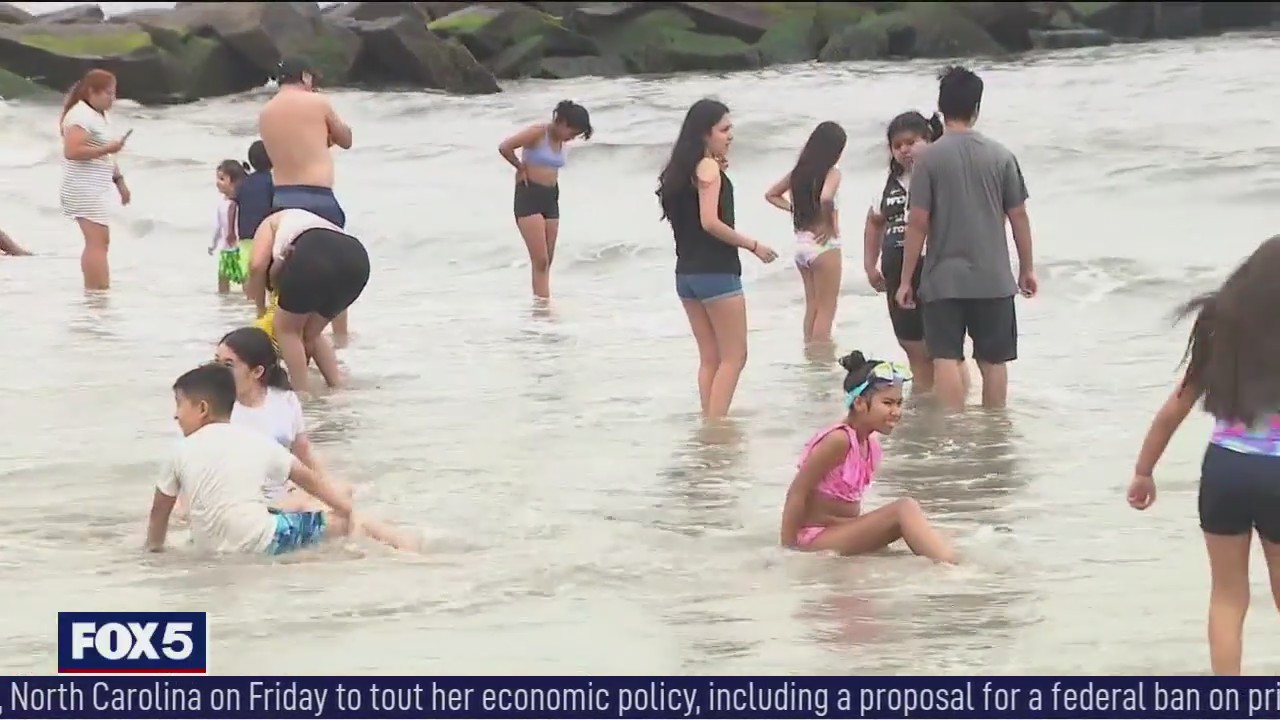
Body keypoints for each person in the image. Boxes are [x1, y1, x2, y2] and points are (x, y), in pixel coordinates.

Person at [1127, 235, 1280, 676]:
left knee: (1227, 597)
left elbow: (1175, 406)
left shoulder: (1223, 328)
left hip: (1225, 468)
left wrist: (1144, 471)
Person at [145, 363, 416, 555]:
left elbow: (159, 512)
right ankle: (409, 548)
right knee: (347, 522)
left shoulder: (179, 450)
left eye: (179, 405)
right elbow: (310, 480)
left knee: (280, 509)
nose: (175, 415)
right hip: (264, 541)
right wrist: (346, 510)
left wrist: (154, 549)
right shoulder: (256, 441)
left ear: (202, 409)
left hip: (210, 547)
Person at [894, 66, 1037, 411]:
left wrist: (905, 280)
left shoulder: (928, 160)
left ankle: (955, 436)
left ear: (942, 109)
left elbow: (918, 222)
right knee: (993, 361)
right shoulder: (1002, 155)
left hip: (943, 279)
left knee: (945, 356)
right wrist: (1026, 269)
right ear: (977, 107)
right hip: (993, 277)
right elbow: (1018, 216)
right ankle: (994, 433)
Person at [657, 98, 777, 421]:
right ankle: (715, 426)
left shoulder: (680, 171)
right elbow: (710, 221)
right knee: (734, 357)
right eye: (724, 129)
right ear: (704, 134)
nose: (731, 135)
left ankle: (709, 424)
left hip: (686, 274)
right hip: (716, 272)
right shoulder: (708, 168)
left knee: (710, 358)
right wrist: (753, 245)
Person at [780, 351, 956, 563]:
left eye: (899, 403)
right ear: (860, 403)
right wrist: (787, 551)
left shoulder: (869, 444)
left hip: (840, 531)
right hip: (815, 537)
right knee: (904, 508)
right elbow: (797, 492)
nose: (896, 412)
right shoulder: (839, 440)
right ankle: (953, 569)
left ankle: (948, 565)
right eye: (888, 403)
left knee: (926, 532)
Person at [259, 57, 356, 341]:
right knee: (335, 274)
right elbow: (346, 139)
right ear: (305, 76)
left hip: (282, 200)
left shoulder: (265, 112)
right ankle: (339, 340)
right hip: (319, 198)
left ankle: (285, 336)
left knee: (288, 275)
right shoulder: (318, 103)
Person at [247, 208, 370, 397]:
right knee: (310, 333)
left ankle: (300, 394)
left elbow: (256, 265)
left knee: (287, 330)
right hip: (357, 259)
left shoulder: (270, 222)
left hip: (313, 253)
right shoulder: (307, 220)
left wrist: (260, 308)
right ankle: (337, 386)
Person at [864, 111, 944, 390]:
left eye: (910, 142)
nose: (904, 150)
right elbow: (874, 222)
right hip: (896, 272)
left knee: (944, 352)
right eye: (897, 146)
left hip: (934, 269)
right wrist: (869, 265)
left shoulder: (941, 176)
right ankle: (923, 409)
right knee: (913, 347)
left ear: (928, 139)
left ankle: (951, 412)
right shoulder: (887, 184)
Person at [497, 100, 594, 300]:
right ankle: (542, 308)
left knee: (547, 260)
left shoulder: (559, 140)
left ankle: (542, 303)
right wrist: (520, 167)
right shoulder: (538, 132)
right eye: (572, 132)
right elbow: (505, 147)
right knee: (539, 260)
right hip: (529, 194)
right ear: (561, 121)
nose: (571, 138)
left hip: (551, 197)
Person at [764, 121, 847, 346]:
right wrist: (829, 225)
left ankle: (810, 354)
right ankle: (821, 360)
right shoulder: (832, 172)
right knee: (827, 308)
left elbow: (771, 194)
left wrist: (795, 208)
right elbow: (826, 198)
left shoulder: (799, 173)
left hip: (802, 245)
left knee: (812, 305)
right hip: (824, 246)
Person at [59, 68, 131, 291]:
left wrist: (120, 182)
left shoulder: (99, 116)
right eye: (109, 93)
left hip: (96, 186)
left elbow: (106, 156)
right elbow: (72, 151)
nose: (113, 98)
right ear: (92, 92)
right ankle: (96, 290)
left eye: (114, 93)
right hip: (82, 187)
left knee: (101, 241)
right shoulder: (80, 116)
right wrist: (109, 147)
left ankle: (98, 288)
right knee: (96, 242)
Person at [210, 159, 249, 294]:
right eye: (217, 178)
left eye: (222, 179)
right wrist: (214, 244)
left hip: (238, 248)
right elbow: (218, 227)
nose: (217, 182)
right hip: (225, 248)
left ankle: (249, 302)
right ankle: (225, 305)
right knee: (223, 277)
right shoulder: (222, 203)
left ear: (234, 182)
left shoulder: (238, 203)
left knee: (244, 276)